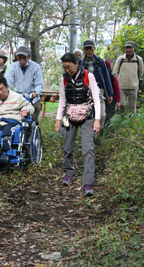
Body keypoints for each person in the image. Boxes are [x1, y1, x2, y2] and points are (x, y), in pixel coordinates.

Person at [55, 53, 101, 196]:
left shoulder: (89, 76)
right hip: (70, 115)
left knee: (88, 149)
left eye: (69, 67)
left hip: (87, 116)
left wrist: (97, 120)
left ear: (76, 63)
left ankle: (88, 183)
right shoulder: (64, 79)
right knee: (67, 147)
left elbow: (96, 99)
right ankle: (69, 172)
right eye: (64, 67)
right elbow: (62, 100)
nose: (67, 70)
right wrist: (58, 119)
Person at [5, 46, 44, 123]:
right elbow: (7, 83)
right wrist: (7, 93)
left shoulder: (36, 67)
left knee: (35, 109)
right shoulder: (12, 67)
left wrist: (36, 92)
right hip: (17, 97)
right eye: (20, 57)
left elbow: (39, 84)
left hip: (32, 97)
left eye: (24, 57)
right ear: (17, 57)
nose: (22, 60)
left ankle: (34, 127)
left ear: (29, 57)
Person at [80, 40, 113, 130]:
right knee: (88, 115)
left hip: (99, 90)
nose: (89, 51)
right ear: (84, 50)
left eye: (90, 48)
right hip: (86, 91)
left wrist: (109, 94)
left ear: (94, 49)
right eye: (87, 49)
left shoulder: (100, 62)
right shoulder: (80, 64)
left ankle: (97, 134)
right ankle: (89, 136)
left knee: (102, 115)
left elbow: (106, 77)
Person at [112, 41, 144, 114]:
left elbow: (140, 73)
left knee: (132, 106)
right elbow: (115, 72)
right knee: (122, 104)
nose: (128, 49)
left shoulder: (138, 60)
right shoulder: (121, 59)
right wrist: (117, 83)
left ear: (134, 48)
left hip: (133, 86)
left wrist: (135, 81)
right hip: (121, 86)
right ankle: (123, 118)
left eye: (130, 48)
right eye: (127, 48)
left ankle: (132, 122)